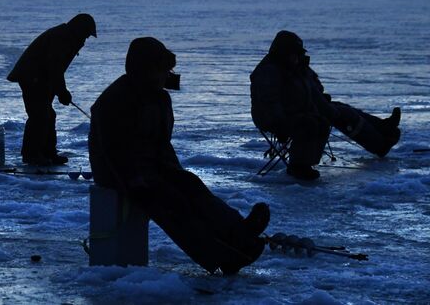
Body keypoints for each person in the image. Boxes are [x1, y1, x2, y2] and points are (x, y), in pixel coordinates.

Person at [89, 37, 269, 274]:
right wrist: (136, 181)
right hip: (118, 171)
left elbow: (160, 142)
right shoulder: (117, 99)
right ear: (147, 69)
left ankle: (238, 231)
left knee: (191, 185)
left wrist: (173, 170)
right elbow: (114, 150)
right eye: (163, 69)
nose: (168, 75)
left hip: (149, 163)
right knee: (172, 202)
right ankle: (223, 255)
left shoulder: (158, 96)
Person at [250, 30, 401, 180]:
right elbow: (269, 103)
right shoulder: (269, 71)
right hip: (275, 117)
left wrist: (310, 81)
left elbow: (317, 89)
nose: (296, 56)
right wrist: (281, 124)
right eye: (294, 53)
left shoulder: (296, 67)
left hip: (301, 108)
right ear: (283, 52)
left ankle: (383, 127)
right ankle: (300, 166)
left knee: (343, 109)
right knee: (319, 120)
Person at [7, 13, 96, 165]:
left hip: (40, 78)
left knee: (48, 114)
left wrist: (58, 90)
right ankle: (32, 155)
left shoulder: (67, 36)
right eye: (86, 35)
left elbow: (54, 70)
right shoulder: (62, 38)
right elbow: (54, 68)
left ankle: (48, 152)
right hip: (31, 77)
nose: (85, 40)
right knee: (39, 115)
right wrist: (62, 92)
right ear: (79, 30)